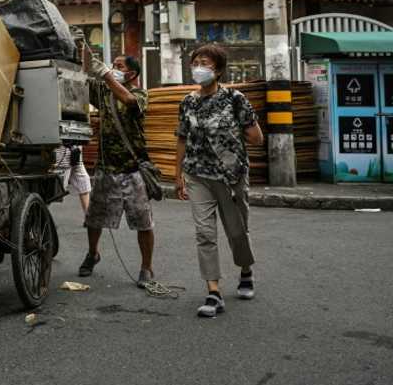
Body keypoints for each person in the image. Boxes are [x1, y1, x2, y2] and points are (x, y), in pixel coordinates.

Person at [174, 44, 264, 319]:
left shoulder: (235, 99)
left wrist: (232, 138)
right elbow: (181, 138)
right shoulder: (188, 102)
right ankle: (213, 291)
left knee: (237, 231)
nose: (199, 68)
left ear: (219, 70)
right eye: (196, 62)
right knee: (205, 234)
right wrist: (178, 175)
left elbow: (256, 137)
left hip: (230, 176)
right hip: (198, 174)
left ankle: (245, 271)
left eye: (206, 63)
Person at [78, 53, 156, 288]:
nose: (113, 68)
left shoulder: (139, 94)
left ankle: (147, 267)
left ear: (131, 74)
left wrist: (105, 74)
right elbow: (83, 76)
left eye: (119, 66)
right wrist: (85, 52)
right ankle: (93, 254)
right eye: (113, 65)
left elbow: (130, 101)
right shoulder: (103, 92)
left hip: (132, 168)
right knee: (94, 218)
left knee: (143, 222)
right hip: (106, 166)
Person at [53, 143, 91, 220]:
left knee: (82, 179)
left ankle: (89, 217)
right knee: (56, 185)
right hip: (63, 147)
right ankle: (38, 217)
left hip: (73, 145)